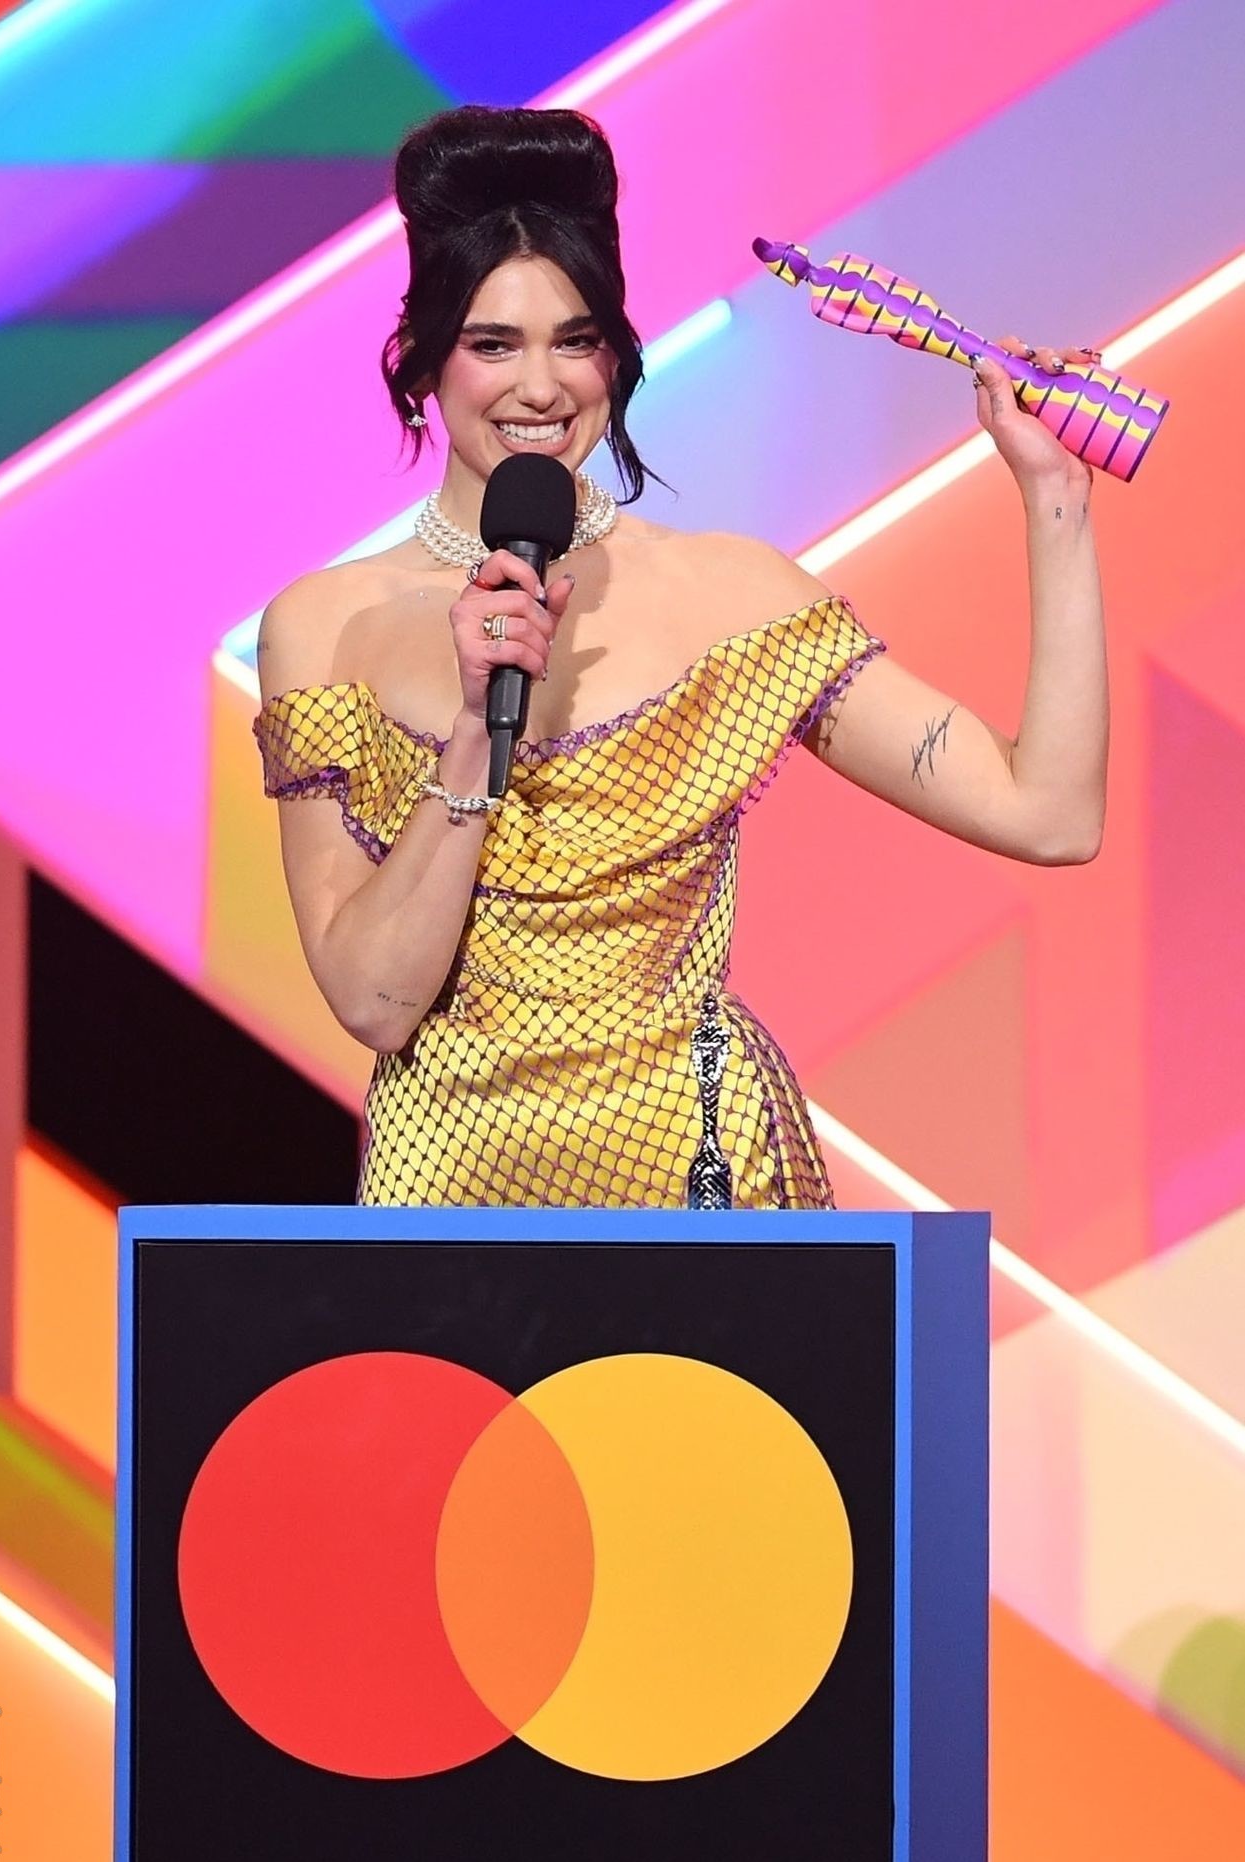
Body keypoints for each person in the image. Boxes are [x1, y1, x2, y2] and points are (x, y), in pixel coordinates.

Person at [254, 104, 1107, 1210]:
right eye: (492, 344)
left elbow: (1049, 815)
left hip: (707, 1188)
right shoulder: (326, 627)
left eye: (575, 341)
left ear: (616, 356)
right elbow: (374, 1002)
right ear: (423, 361)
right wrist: (473, 732)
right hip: (454, 1203)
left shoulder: (729, 595)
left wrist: (1054, 500)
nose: (540, 387)